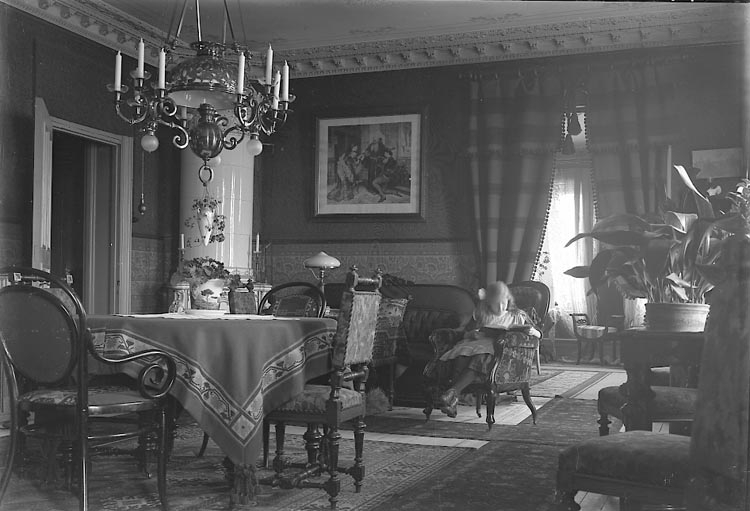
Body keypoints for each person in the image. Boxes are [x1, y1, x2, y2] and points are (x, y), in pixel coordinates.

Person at [438, 281, 540, 417]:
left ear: (508, 300)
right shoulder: (482, 315)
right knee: (463, 357)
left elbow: (538, 334)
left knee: (481, 358)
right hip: (476, 346)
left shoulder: (517, 315)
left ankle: (452, 393)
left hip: (505, 353)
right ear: (488, 303)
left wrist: (534, 332)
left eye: (503, 302)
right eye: (496, 304)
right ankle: (453, 399)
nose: (500, 307)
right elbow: (466, 332)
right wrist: (472, 334)